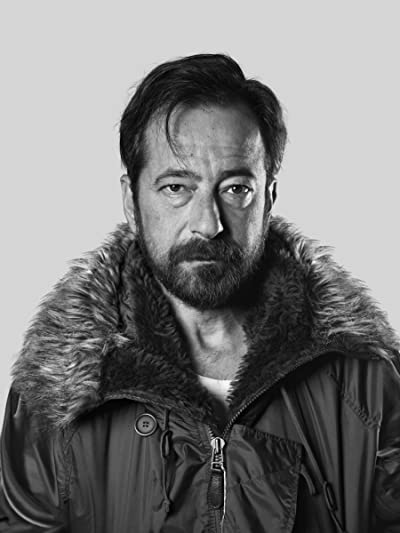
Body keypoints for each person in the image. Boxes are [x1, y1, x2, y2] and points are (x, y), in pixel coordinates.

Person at [1, 53, 399, 533]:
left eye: (235, 189)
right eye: (176, 188)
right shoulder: (58, 388)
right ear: (131, 200)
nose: (208, 225)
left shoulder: (365, 380)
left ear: (269, 199)